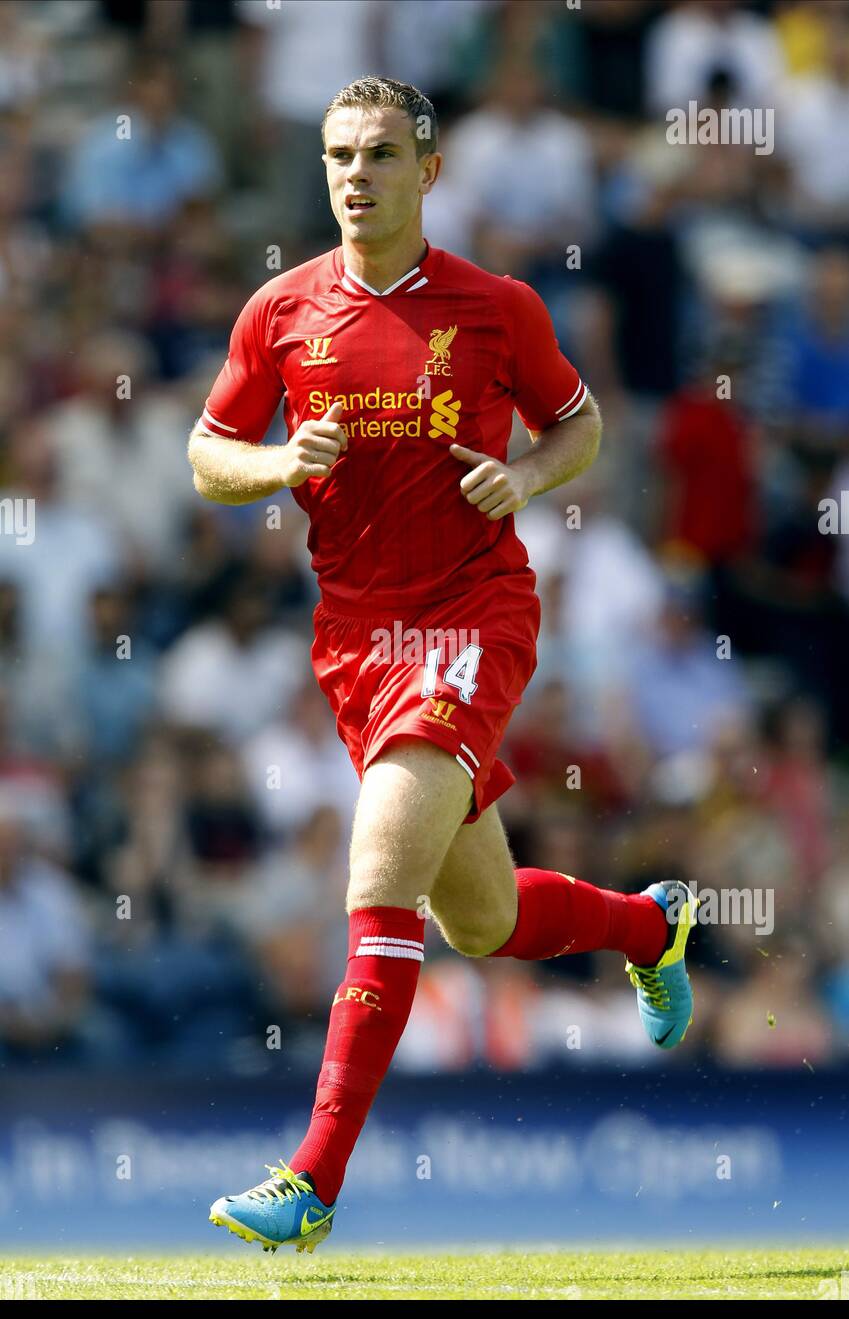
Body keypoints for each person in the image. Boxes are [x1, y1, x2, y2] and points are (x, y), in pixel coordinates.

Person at [189, 77, 698, 1254]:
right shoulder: (280, 312)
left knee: (380, 868)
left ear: (430, 169)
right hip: (355, 640)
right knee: (479, 917)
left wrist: (521, 479)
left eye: (377, 154)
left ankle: (312, 1181)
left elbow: (582, 424)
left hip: (471, 616)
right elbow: (208, 450)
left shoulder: (496, 306)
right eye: (335, 156)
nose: (353, 177)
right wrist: (278, 467)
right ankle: (646, 928)